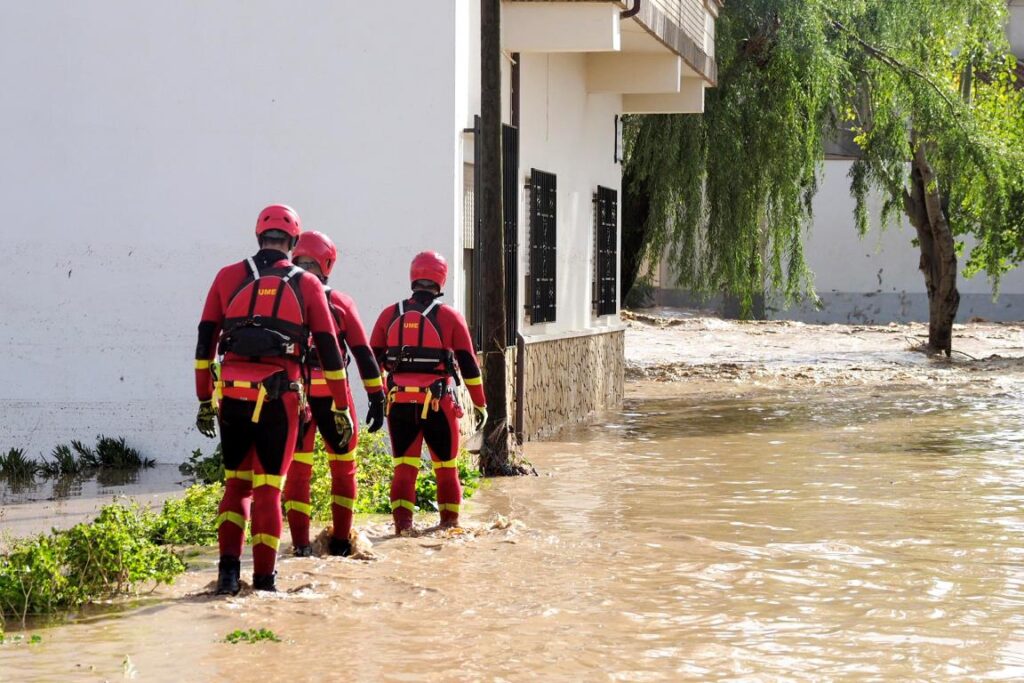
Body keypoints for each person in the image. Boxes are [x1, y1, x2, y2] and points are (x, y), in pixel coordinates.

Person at [194, 204, 355, 594]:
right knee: (268, 488)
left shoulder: (227, 276)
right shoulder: (307, 284)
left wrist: (203, 398)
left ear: (257, 237)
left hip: (231, 393)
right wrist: (340, 405)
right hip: (280, 396)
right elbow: (331, 354)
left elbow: (203, 345)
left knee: (236, 486)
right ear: (293, 242)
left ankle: (229, 575)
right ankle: (265, 585)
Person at [283, 230, 386, 557]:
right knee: (344, 469)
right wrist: (377, 397)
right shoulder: (339, 302)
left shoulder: (283, 298)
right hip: (332, 394)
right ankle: (341, 543)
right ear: (327, 263)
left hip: (295, 396)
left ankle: (300, 547)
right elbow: (363, 353)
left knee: (297, 472)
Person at [368, 251, 487, 533]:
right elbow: (469, 364)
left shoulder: (389, 314)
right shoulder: (449, 317)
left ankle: (402, 529)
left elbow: (371, 360)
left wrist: (377, 396)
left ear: (414, 277)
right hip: (438, 404)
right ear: (441, 279)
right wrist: (480, 404)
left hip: (398, 402)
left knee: (404, 468)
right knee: (446, 469)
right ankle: (449, 527)